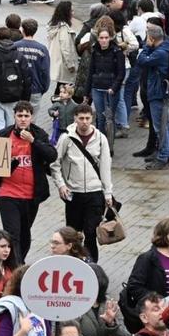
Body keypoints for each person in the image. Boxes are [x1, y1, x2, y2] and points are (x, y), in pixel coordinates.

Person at [0, 101, 55, 263]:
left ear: (31, 117)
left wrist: (33, 141)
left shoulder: (39, 134)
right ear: (14, 116)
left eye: (26, 116)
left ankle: (19, 262)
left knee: (25, 234)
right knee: (12, 234)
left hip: (30, 195)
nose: (23, 119)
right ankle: (16, 268)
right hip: (7, 192)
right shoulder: (3, 135)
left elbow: (51, 155)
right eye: (20, 116)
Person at [50, 104, 112, 260]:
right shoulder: (66, 138)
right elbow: (55, 163)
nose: (84, 122)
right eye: (81, 118)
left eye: (87, 118)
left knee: (91, 233)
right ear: (75, 119)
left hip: (95, 193)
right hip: (74, 193)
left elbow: (105, 167)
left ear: (92, 119)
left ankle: (92, 265)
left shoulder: (100, 139)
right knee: (73, 234)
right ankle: (72, 263)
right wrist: (61, 184)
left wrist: (108, 192)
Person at [136, 24, 169, 170]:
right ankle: (167, 154)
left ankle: (163, 157)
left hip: (158, 93)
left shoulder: (160, 53)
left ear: (151, 38)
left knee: (160, 127)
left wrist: (147, 47)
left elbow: (142, 60)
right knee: (165, 125)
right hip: (164, 92)